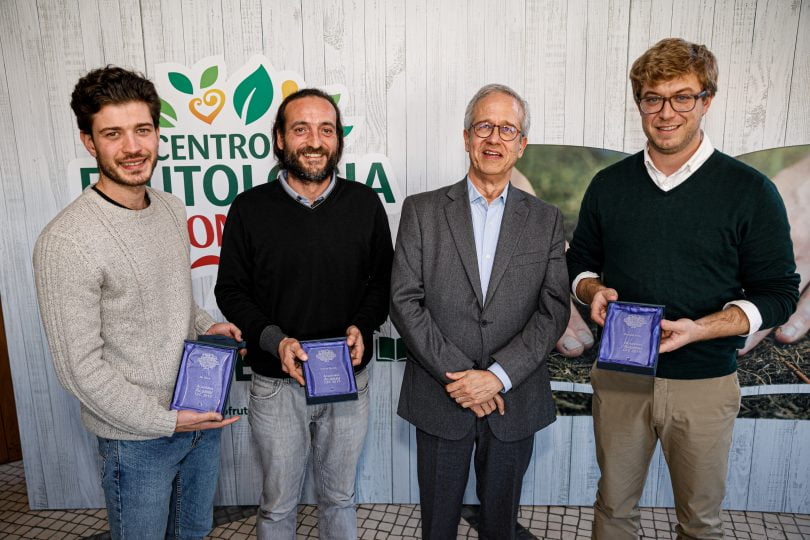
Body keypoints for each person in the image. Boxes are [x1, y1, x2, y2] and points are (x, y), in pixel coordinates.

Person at [566, 38, 800, 539]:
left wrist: (702, 329)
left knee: (700, 521)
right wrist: (592, 291)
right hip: (622, 377)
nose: (666, 112)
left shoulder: (750, 191)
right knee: (612, 509)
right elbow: (581, 263)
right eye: (653, 98)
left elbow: (780, 292)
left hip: (704, 383)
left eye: (682, 97)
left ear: (706, 100)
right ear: (639, 103)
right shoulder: (609, 185)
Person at [33, 66, 242, 540]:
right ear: (89, 141)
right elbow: (78, 370)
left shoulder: (170, 207)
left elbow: (173, 300)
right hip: (137, 440)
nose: (132, 148)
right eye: (113, 134)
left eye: (142, 130)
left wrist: (205, 324)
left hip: (199, 417)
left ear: (156, 132)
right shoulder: (66, 241)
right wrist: (164, 421)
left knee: (193, 534)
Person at [390, 83, 570, 539]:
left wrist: (498, 376)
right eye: (484, 127)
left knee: (501, 525)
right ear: (466, 136)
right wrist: (462, 377)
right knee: (438, 524)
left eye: (506, 129)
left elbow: (553, 309)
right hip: (440, 394)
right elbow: (404, 300)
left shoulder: (545, 218)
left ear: (522, 144)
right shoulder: (422, 210)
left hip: (515, 397)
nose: (494, 139)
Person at [214, 88, 393, 539]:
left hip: (347, 378)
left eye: (325, 130)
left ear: (337, 141)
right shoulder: (249, 208)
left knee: (339, 497)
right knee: (277, 505)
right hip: (276, 384)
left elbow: (383, 283)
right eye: (301, 129)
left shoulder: (365, 204)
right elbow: (231, 290)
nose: (314, 141)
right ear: (279, 139)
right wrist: (276, 340)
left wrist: (363, 326)